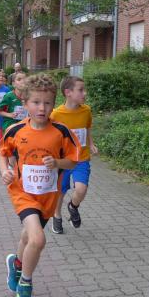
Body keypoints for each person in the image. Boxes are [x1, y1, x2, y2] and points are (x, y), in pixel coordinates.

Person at [0, 74, 79, 297]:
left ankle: (16, 264)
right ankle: (25, 285)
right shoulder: (15, 130)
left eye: (47, 103)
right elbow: (4, 153)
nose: (41, 108)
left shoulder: (61, 132)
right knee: (38, 239)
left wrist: (57, 163)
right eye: (36, 102)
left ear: (54, 103)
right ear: (25, 103)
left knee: (28, 237)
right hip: (22, 193)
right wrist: (5, 171)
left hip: (48, 196)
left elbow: (72, 161)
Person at [49, 76, 98, 234]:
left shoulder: (86, 110)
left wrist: (91, 144)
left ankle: (73, 206)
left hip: (81, 158)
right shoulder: (55, 115)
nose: (85, 93)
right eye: (81, 90)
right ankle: (57, 216)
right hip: (63, 161)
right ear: (68, 92)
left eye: (84, 89)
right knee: (60, 192)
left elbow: (87, 127)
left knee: (81, 189)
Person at [0, 70, 28, 138]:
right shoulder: (9, 96)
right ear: (14, 84)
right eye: (19, 79)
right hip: (9, 126)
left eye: (25, 79)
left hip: (24, 125)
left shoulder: (29, 97)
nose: (23, 81)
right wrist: (10, 115)